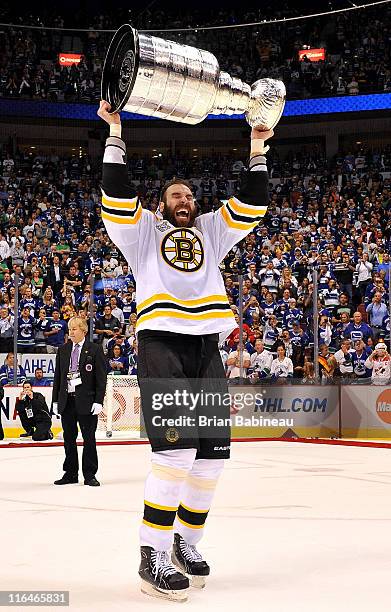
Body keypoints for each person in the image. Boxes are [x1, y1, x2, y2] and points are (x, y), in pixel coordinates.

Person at [98, 99, 273, 601]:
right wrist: (115, 131)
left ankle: (185, 544)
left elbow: (253, 203)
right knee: (175, 453)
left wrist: (258, 145)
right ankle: (150, 554)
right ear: (160, 205)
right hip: (161, 343)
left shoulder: (211, 232)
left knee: (213, 458)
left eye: (189, 194)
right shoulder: (142, 234)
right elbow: (116, 191)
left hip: (206, 349)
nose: (184, 199)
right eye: (175, 194)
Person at [52, 316, 107, 486]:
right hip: (67, 401)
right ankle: (70, 473)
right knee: (69, 438)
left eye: (74, 329)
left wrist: (98, 401)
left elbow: (101, 378)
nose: (71, 332)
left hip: (87, 402)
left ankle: (89, 474)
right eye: (69, 329)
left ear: (84, 330)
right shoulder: (63, 350)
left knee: (89, 438)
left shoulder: (95, 349)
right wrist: (55, 401)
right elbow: (58, 378)